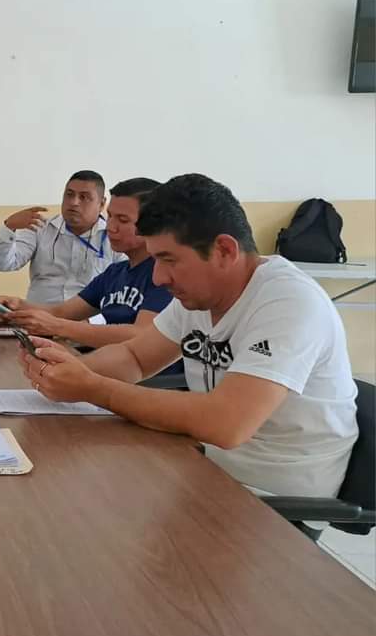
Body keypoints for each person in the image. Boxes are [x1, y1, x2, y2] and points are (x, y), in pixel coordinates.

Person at [19, 173, 358, 501]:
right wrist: (67, 370)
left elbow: (227, 424)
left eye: (168, 259)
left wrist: (93, 387)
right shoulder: (201, 294)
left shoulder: (289, 301)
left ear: (224, 250)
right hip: (206, 467)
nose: (158, 277)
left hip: (272, 497)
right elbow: (135, 358)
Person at [0, 178, 177, 354]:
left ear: (153, 224)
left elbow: (142, 336)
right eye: (110, 216)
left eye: (122, 220)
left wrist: (59, 328)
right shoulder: (114, 273)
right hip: (105, 363)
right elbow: (61, 312)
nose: (111, 227)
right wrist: (18, 307)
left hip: (138, 373)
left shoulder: (164, 275)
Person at [0, 170, 126, 304]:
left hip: (90, 317)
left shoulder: (114, 236)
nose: (74, 202)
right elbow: (2, 264)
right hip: (37, 314)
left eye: (84, 197)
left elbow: (123, 288)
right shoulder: (40, 227)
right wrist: (10, 227)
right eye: (69, 195)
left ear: (101, 204)